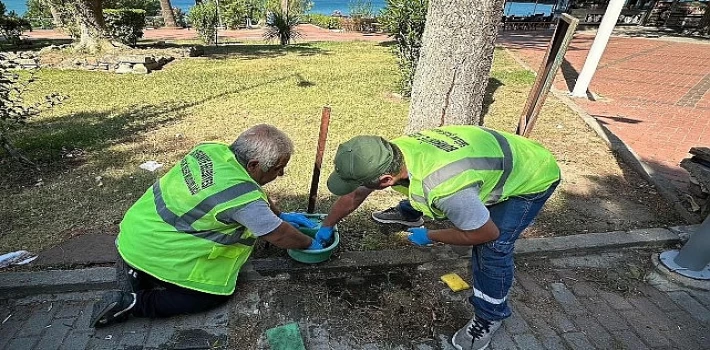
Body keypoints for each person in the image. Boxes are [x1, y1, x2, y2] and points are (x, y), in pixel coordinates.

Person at [313, 125, 560, 350]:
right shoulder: (390, 154)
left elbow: (484, 232)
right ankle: (409, 213)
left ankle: (490, 316)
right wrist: (327, 225)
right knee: (428, 190)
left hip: (531, 175)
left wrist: (430, 235)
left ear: (386, 180)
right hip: (491, 158)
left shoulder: (447, 188)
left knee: (493, 248)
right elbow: (356, 195)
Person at [90, 124, 322, 328]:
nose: (281, 174)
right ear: (253, 165)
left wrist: (281, 214)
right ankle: (133, 304)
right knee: (211, 296)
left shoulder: (212, 151)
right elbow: (279, 235)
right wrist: (311, 243)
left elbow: (250, 193)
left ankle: (138, 272)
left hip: (135, 232)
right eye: (278, 168)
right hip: (154, 249)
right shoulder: (242, 199)